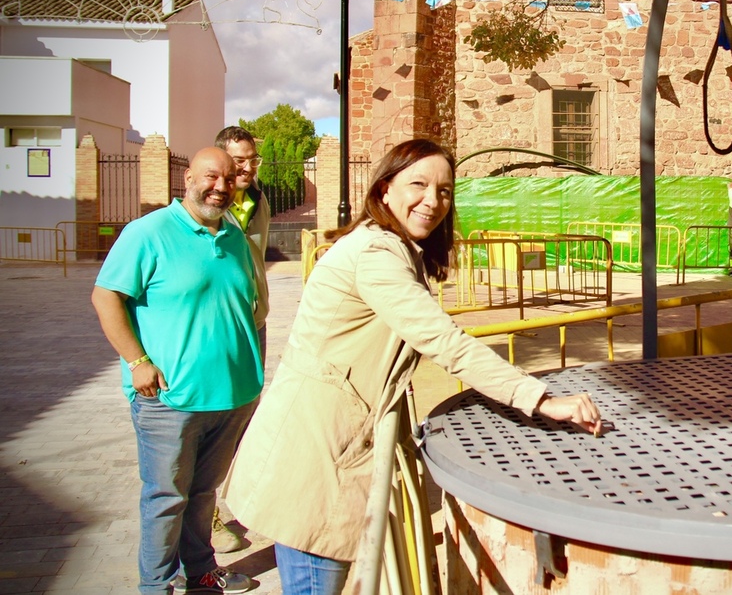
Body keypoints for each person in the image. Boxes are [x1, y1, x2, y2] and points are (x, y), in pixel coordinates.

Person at [225, 139, 602, 595]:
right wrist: (539, 399)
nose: (433, 200)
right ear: (385, 189)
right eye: (418, 184)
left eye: (445, 191)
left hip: (331, 439)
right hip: (318, 450)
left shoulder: (393, 247)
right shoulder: (375, 255)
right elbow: (445, 342)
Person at [91, 147, 263, 595]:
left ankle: (201, 573)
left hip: (233, 396)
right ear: (187, 178)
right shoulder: (147, 233)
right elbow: (106, 297)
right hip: (169, 400)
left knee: (204, 496)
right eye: (211, 177)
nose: (220, 187)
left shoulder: (234, 236)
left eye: (229, 179)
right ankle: (157, 587)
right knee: (166, 499)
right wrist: (137, 360)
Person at [211, 125, 271, 554]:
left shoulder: (258, 200)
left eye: (253, 159)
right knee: (213, 419)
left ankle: (233, 496)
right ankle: (207, 511)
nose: (248, 167)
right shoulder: (208, 208)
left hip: (255, 324)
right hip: (219, 329)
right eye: (239, 161)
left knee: (244, 415)